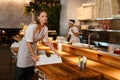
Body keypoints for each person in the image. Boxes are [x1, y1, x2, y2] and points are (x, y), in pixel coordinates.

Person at [15, 10, 59, 80]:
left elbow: (47, 42)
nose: (45, 18)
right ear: (38, 17)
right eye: (42, 16)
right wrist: (34, 55)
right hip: (25, 48)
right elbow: (28, 42)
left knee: (30, 71)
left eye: (46, 16)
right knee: (21, 71)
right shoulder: (32, 26)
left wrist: (56, 52)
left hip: (33, 47)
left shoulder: (45, 28)